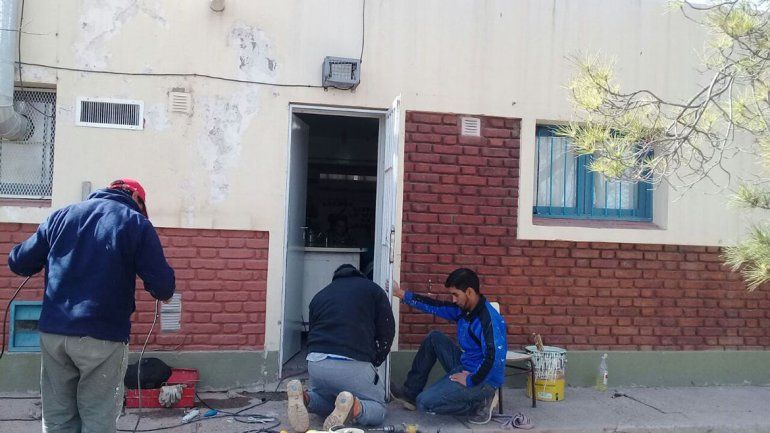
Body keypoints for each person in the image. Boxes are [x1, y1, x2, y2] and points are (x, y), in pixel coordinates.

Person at [8, 178, 175, 433]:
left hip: (54, 334)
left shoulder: (61, 216)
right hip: (102, 337)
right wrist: (161, 293)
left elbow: (19, 261)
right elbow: (163, 286)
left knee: (58, 419)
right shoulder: (136, 222)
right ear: (136, 198)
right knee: (98, 418)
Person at [390, 268, 507, 425]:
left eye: (456, 295)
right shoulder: (464, 310)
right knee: (434, 338)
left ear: (469, 292)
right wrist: (401, 294)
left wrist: (472, 380)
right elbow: (435, 306)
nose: (453, 299)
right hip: (465, 365)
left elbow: (494, 359)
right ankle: (410, 393)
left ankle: (479, 402)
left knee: (424, 403)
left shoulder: (488, 319)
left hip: (484, 379)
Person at [287, 264, 395, 432]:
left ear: (335, 279)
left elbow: (312, 333)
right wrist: (376, 360)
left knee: (328, 398)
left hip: (316, 363)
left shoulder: (320, 295)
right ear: (359, 276)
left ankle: (306, 398)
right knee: (378, 407)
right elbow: (387, 330)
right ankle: (355, 407)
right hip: (353, 364)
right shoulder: (373, 290)